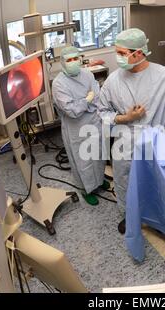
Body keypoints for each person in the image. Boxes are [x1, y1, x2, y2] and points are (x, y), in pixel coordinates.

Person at [97, 28, 165, 233]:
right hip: (125, 146)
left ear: (138, 53)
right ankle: (129, 216)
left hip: (155, 146)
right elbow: (102, 113)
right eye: (117, 52)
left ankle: (155, 218)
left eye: (122, 53)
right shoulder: (113, 81)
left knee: (155, 184)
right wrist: (125, 118)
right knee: (124, 183)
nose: (118, 57)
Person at [52, 46, 109, 206]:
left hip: (93, 121)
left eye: (75, 58)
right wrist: (86, 101)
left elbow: (97, 96)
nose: (73, 62)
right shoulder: (59, 84)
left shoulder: (88, 74)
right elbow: (71, 110)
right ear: (62, 62)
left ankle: (99, 179)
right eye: (69, 60)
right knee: (83, 159)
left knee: (97, 154)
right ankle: (87, 188)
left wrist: (85, 102)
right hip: (75, 128)